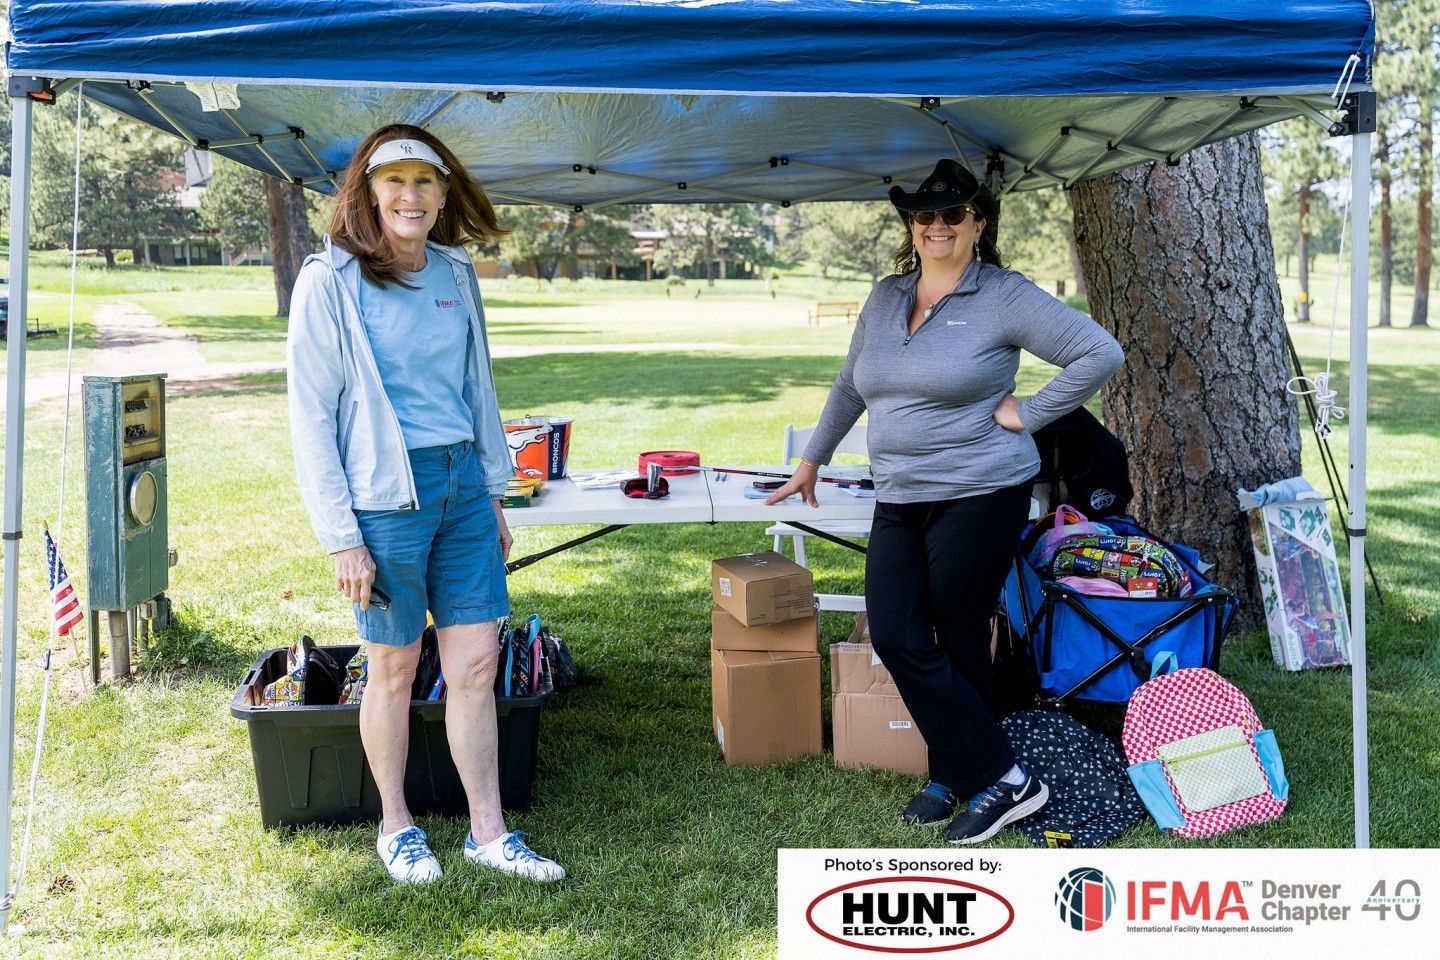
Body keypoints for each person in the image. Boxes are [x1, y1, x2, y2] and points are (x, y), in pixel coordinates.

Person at [766, 158, 1124, 844]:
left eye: (954, 214)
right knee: (898, 631)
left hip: (981, 490)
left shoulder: (1003, 296)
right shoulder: (884, 297)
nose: (938, 225)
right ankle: (985, 769)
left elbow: (1098, 353)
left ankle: (981, 775)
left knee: (957, 631)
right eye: (925, 215)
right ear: (911, 225)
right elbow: (849, 385)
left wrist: (1033, 413)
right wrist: (811, 460)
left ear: (978, 223)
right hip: (899, 493)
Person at [287, 125, 564, 884]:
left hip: (461, 493)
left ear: (445, 194)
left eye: (425, 182)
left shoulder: (454, 271)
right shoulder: (329, 280)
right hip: (383, 497)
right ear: (369, 192)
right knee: (394, 666)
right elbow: (310, 416)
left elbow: (478, 389)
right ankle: (397, 826)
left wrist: (493, 493)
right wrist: (342, 536)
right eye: (394, 181)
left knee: (475, 663)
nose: (410, 196)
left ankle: (488, 832)